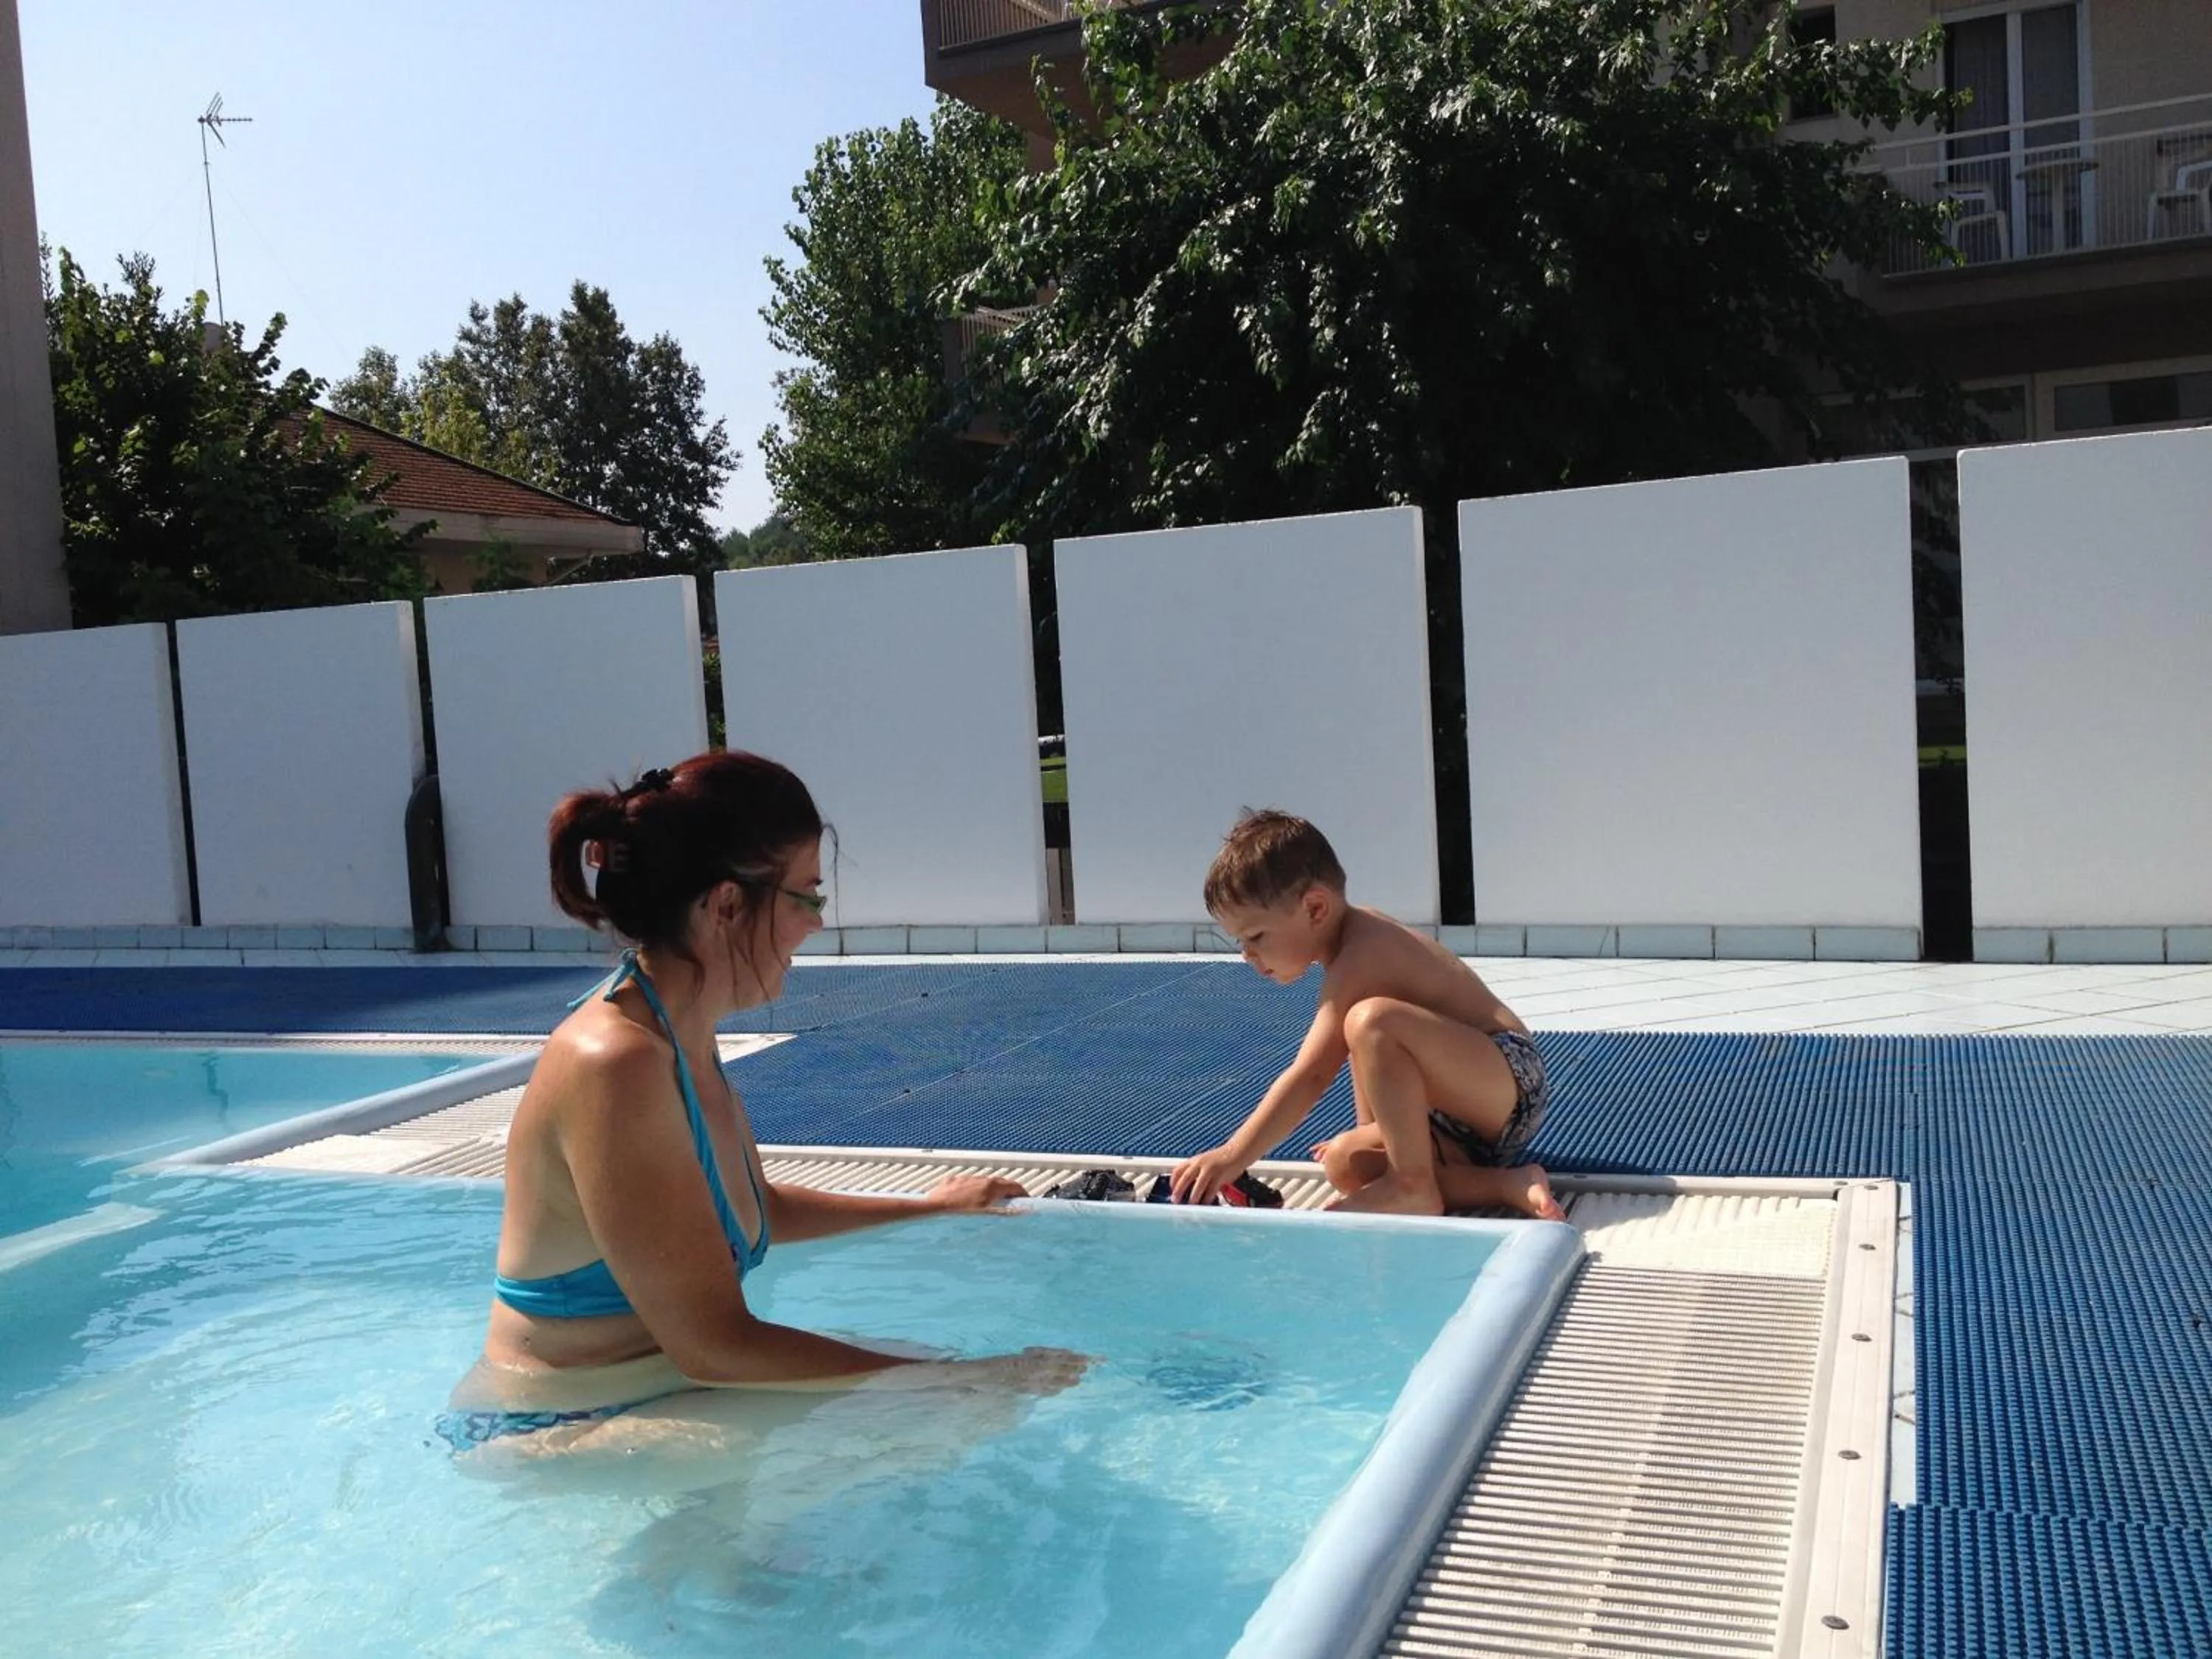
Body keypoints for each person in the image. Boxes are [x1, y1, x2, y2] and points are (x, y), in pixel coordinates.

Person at [440, 751, 1084, 1461]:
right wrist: (954, 1384)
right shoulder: (614, 1063)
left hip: (663, 1396)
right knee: (943, 1409)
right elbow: (714, 1344)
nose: (816, 923)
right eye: (807, 896)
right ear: (725, 905)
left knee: (943, 1393)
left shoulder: (677, 1030)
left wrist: (931, 1204)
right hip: (561, 1428)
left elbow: (756, 1212)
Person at [1169, 810, 1565, 1220]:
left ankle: (1411, 1186)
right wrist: (1367, 1137)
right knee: (1345, 1163)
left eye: (1255, 936)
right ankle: (1507, 1184)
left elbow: (1312, 1076)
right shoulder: (1344, 953)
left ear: (1316, 909)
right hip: (1461, 1117)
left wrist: (1232, 1155)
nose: (1248, 954)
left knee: (1370, 1022)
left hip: (1507, 1077)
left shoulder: (1367, 950)